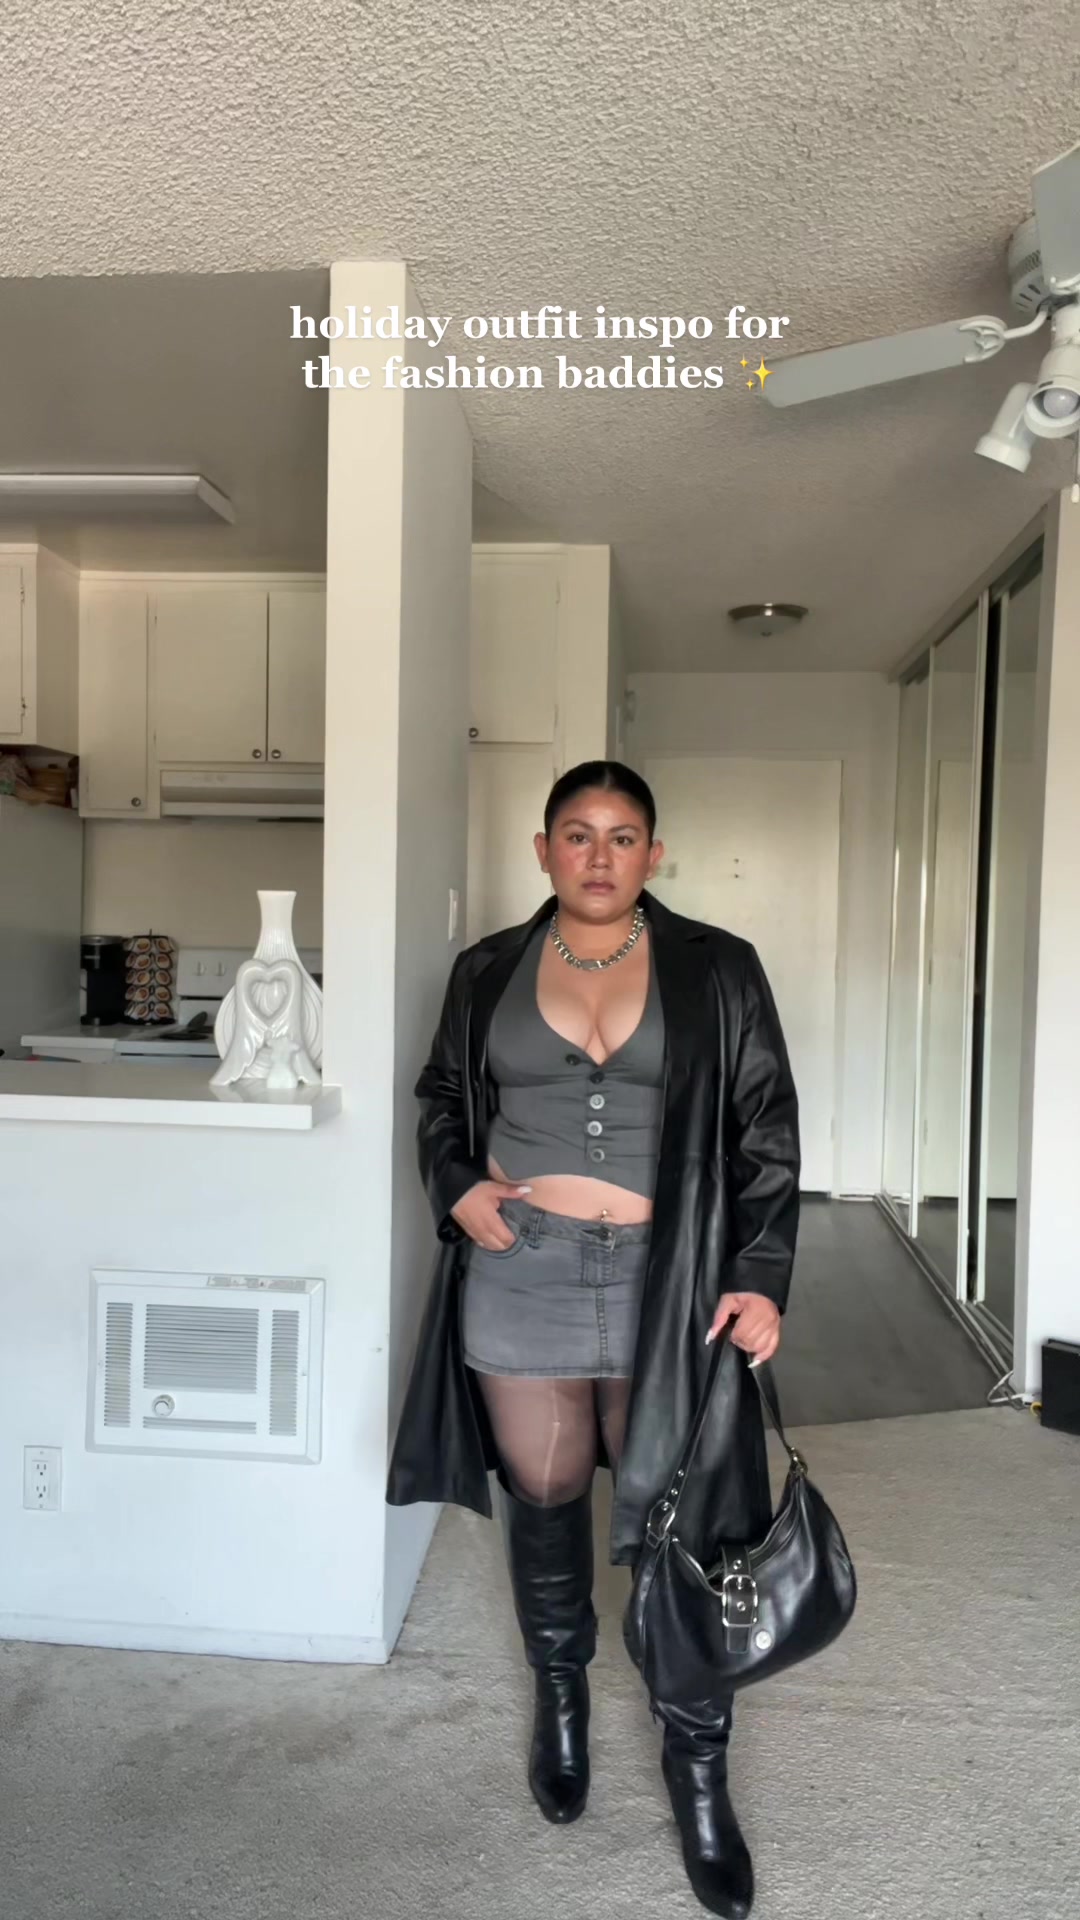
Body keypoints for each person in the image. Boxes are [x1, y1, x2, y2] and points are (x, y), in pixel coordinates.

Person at [387, 760, 800, 1920]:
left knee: (686, 1517)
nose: (601, 855)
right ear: (545, 849)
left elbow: (766, 1125)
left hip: (675, 1276)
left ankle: (698, 1765)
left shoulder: (719, 966)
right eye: (579, 834)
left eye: (624, 836)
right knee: (546, 1491)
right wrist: (458, 1185)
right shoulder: (488, 970)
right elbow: (440, 1098)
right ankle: (560, 1694)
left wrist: (760, 1273)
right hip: (525, 1266)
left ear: (654, 854)